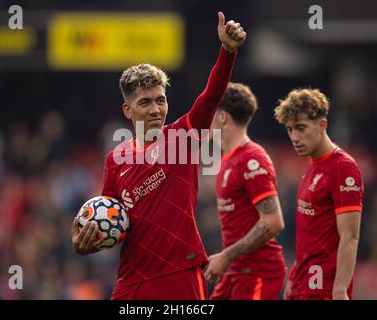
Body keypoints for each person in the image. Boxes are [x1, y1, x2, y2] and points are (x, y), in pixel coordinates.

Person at [71, 12, 246, 300]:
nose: (155, 109)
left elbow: (211, 96)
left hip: (180, 273)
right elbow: (110, 220)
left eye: (160, 100)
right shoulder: (115, 160)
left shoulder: (183, 137)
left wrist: (227, 52)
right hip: (132, 279)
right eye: (145, 102)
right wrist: (84, 242)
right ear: (128, 110)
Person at [274, 88, 364, 300]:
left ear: (322, 125)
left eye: (301, 128)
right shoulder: (313, 166)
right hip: (304, 284)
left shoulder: (343, 168)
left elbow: (350, 236)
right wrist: (295, 276)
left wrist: (340, 290)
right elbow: (311, 234)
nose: (294, 137)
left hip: (324, 289)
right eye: (289, 130)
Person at [204, 83, 286, 300]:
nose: (205, 120)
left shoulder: (251, 159)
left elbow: (273, 222)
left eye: (210, 112)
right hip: (236, 272)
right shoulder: (227, 159)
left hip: (258, 272)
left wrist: (226, 256)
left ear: (223, 117)